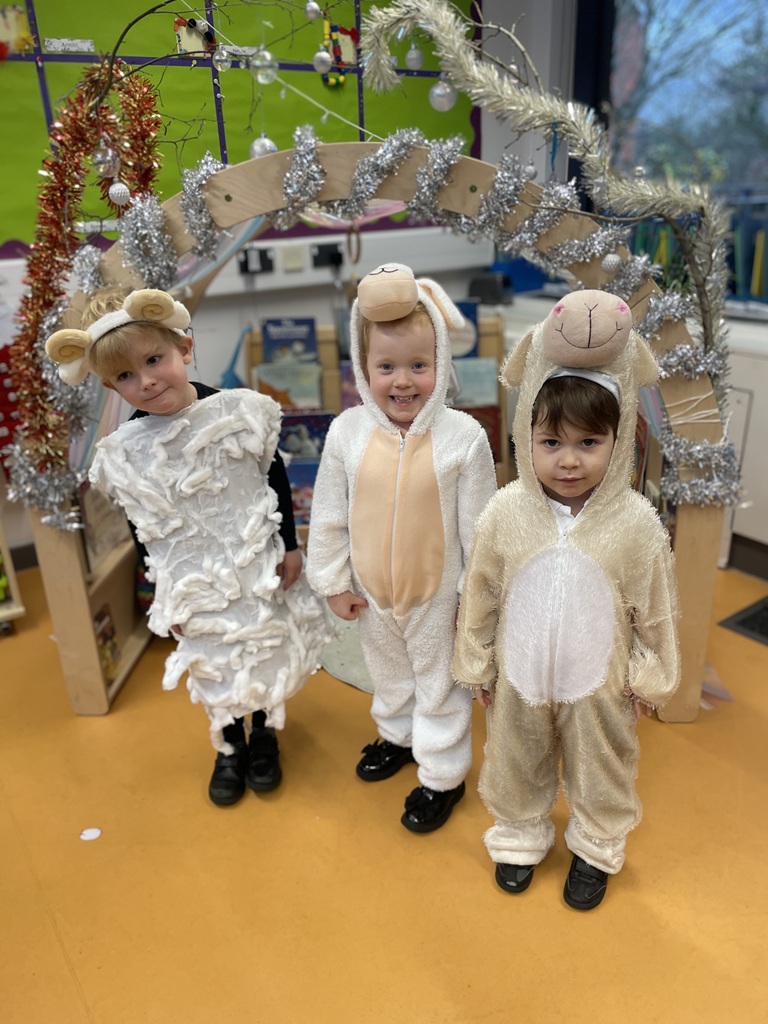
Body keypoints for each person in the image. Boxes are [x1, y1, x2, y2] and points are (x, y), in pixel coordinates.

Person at [46, 288, 333, 807]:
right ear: (110, 385)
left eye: (154, 360)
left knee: (260, 646)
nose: (146, 381)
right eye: (126, 376)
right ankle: (230, 743)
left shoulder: (238, 412)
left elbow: (274, 478)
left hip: (254, 563)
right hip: (192, 580)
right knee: (215, 658)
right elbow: (141, 524)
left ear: (184, 346)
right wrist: (162, 593)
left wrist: (291, 546)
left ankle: (264, 734)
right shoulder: (127, 451)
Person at [452, 289, 680, 910]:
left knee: (602, 767)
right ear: (526, 436)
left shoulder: (635, 523)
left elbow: (656, 609)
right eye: (551, 443)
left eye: (589, 443)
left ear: (618, 439)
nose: (570, 461)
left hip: (602, 686)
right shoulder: (506, 513)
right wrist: (476, 662)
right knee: (514, 758)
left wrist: (650, 677)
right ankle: (519, 835)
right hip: (518, 675)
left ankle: (596, 847)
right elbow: (481, 593)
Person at [306, 263, 498, 833]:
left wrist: (475, 599)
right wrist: (332, 581)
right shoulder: (346, 432)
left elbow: (482, 529)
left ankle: (442, 774)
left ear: (441, 362)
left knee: (440, 687)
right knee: (388, 673)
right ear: (363, 367)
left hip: (439, 598)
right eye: (386, 367)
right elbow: (328, 514)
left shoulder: (464, 438)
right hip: (370, 592)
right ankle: (397, 736)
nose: (403, 382)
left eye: (419, 365)